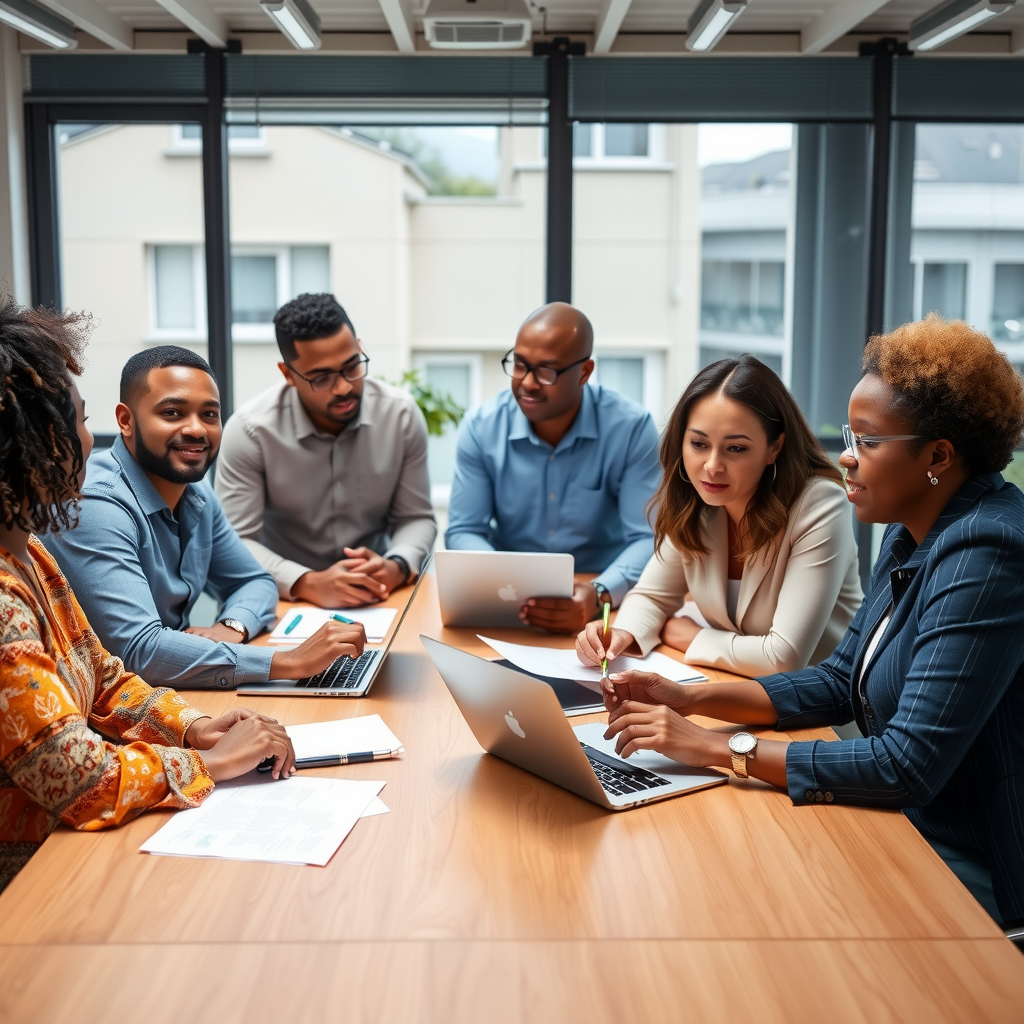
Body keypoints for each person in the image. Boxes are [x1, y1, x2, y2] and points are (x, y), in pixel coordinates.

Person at [594, 316, 1024, 931]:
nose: (846, 457)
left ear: (937, 456)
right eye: (853, 435)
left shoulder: (988, 553)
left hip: (972, 862)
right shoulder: (912, 531)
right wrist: (688, 698)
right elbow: (840, 678)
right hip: (906, 827)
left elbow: (906, 764)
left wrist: (715, 747)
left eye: (869, 442)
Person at [0, 301, 301, 893]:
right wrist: (210, 763)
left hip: (70, 847)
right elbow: (76, 779)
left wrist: (194, 727)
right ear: (35, 441)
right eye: (81, 422)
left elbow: (106, 677)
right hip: (31, 874)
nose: (92, 442)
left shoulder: (29, 554)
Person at [44, 345, 365, 690]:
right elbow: (138, 651)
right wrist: (289, 661)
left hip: (170, 699)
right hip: (103, 717)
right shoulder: (94, 502)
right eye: (172, 413)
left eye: (209, 415)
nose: (197, 429)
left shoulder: (195, 493)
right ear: (126, 420)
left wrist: (232, 626)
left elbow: (254, 582)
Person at [577, 355, 862, 676]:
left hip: (821, 714)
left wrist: (693, 636)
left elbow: (784, 658)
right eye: (699, 443)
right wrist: (619, 635)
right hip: (735, 687)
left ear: (774, 447)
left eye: (735, 448)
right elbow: (652, 597)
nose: (712, 466)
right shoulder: (699, 502)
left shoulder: (820, 503)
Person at [445, 302, 661, 634]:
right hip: (510, 602)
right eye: (519, 365)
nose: (527, 383)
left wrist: (601, 593)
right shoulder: (481, 427)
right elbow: (464, 530)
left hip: (602, 603)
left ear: (585, 373)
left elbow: (648, 538)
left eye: (547, 371)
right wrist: (501, 578)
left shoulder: (631, 428)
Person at [215, 293, 436, 608]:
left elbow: (416, 517)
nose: (344, 387)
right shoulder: (250, 432)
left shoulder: (400, 416)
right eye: (321, 378)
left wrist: (396, 566)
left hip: (379, 594)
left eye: (352, 366)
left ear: (360, 348)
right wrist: (307, 582)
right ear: (288, 374)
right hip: (285, 599)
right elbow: (234, 542)